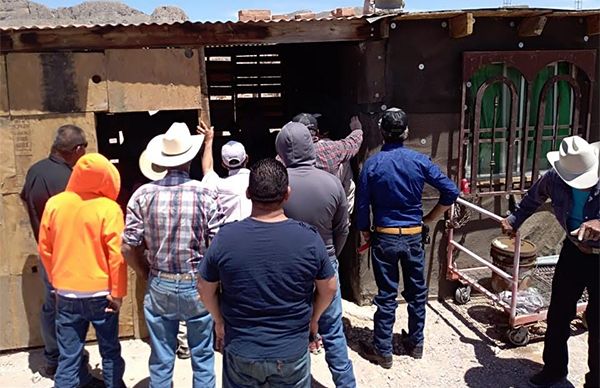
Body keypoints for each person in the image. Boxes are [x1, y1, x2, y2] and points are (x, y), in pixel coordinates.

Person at [198, 158, 337, 387]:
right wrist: (314, 319)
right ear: (287, 194)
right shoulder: (309, 238)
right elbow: (329, 287)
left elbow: (204, 287)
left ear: (248, 193)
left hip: (242, 349)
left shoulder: (226, 238)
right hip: (291, 350)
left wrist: (219, 320)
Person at [121, 122, 222, 388]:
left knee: (162, 357)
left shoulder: (142, 195)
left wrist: (144, 272)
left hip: (159, 282)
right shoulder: (206, 193)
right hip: (196, 283)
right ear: (190, 158)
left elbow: (128, 245)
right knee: (202, 355)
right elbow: (217, 244)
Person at [356, 108, 459, 367]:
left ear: (382, 133)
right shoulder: (419, 160)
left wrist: (365, 230)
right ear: (406, 133)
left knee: (386, 294)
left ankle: (383, 350)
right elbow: (450, 191)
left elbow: (361, 205)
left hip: (385, 237)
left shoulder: (372, 164)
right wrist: (431, 218)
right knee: (416, 292)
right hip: (413, 236)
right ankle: (416, 344)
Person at [501, 136, 599, 388]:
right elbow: (533, 197)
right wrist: (514, 221)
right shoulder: (555, 178)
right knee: (558, 314)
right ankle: (554, 370)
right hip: (573, 251)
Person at [276, 121, 357, 387]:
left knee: (294, 332)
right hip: (326, 263)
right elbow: (342, 229)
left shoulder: (277, 186)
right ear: (311, 146)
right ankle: (346, 384)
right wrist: (331, 257)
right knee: (333, 331)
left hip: (289, 270)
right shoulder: (332, 183)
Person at [38, 153, 127, 388]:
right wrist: (118, 292)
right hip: (102, 295)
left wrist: (56, 283)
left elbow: (45, 250)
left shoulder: (54, 204)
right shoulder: (109, 209)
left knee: (69, 356)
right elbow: (116, 255)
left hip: (66, 293)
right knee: (109, 351)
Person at [20, 124, 87, 376]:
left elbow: (25, 198)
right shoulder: (71, 179)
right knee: (70, 312)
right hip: (67, 255)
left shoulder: (35, 170)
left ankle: (52, 357)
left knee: (51, 306)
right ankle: (71, 365)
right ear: (77, 149)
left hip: (45, 250)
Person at [291, 113, 363, 214]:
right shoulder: (333, 150)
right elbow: (351, 143)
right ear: (317, 132)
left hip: (298, 213)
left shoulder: (285, 154)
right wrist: (357, 130)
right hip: (329, 212)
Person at [198, 120, 252, 223]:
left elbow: (208, 169)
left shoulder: (219, 184)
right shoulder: (259, 181)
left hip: (229, 235)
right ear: (247, 159)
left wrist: (208, 140)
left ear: (223, 164)